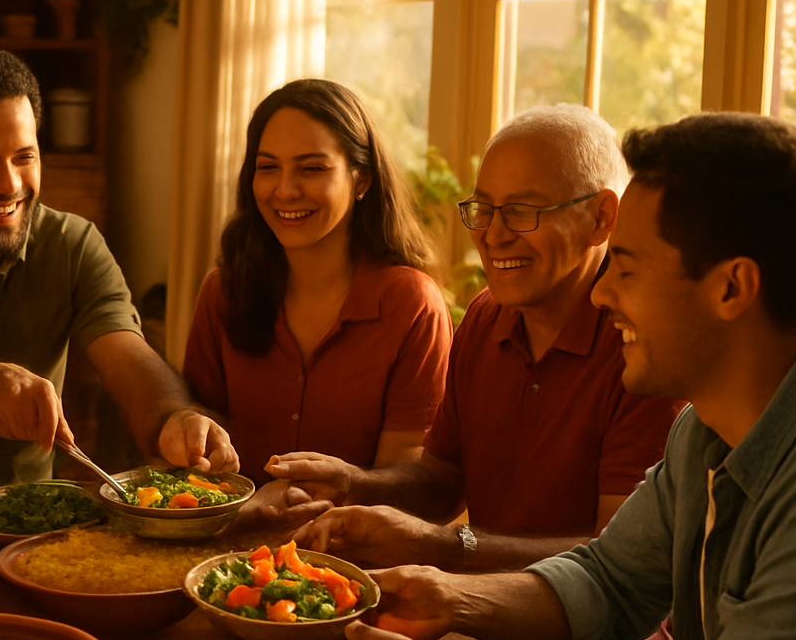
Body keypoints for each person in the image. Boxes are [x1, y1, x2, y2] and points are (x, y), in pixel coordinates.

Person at [299, 111, 796, 640]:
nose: (605, 290)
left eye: (628, 267)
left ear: (731, 287)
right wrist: (451, 595)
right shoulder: (705, 430)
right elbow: (610, 581)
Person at [277, 105, 683, 572]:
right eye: (483, 210)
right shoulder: (487, 316)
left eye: (521, 212)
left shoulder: (642, 347)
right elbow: (443, 479)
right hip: (476, 612)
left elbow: (619, 564)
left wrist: (448, 546)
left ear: (600, 217)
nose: (492, 235)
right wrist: (355, 485)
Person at [0, 45, 237, 494]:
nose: (9, 184)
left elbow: (131, 361)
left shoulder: (75, 244)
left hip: (26, 522)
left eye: (23, 157)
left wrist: (176, 419)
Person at [182, 79, 451, 489]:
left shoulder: (412, 304)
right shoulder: (221, 292)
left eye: (312, 169)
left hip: (354, 549)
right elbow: (198, 460)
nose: (286, 190)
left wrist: (346, 486)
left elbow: (406, 482)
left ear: (361, 180)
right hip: (229, 545)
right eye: (268, 167)